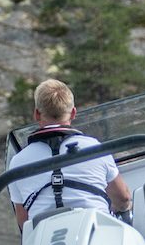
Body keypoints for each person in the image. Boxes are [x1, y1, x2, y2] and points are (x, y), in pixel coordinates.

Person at [9, 78, 134, 227]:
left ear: (37, 114)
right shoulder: (94, 148)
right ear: (73, 113)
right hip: (96, 231)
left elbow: (24, 223)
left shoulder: (17, 162)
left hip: (45, 237)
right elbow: (123, 199)